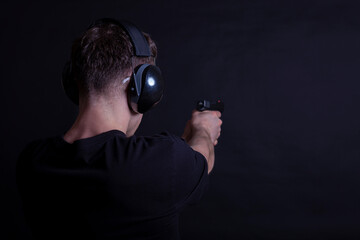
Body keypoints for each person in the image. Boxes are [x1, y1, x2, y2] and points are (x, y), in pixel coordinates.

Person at [17, 18, 222, 240]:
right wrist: (203, 129)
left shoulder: (32, 162)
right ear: (145, 86)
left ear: (73, 81)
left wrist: (183, 152)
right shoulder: (163, 162)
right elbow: (201, 159)